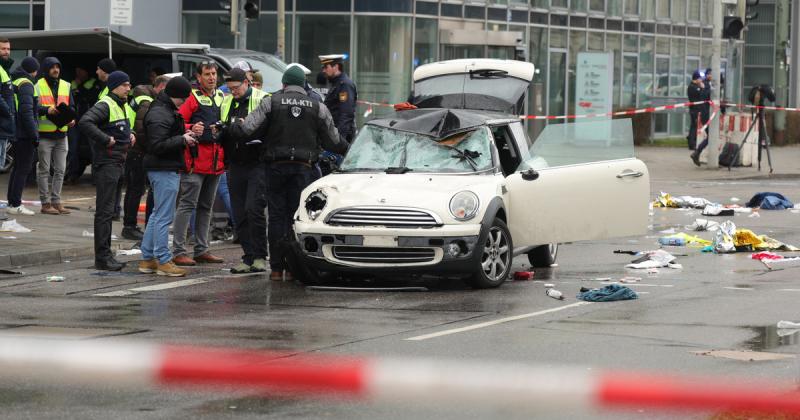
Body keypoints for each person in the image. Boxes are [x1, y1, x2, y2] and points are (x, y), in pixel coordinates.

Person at [230, 65, 348, 281]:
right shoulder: (317, 106)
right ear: (303, 85)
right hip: (304, 169)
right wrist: (350, 149)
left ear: (284, 84)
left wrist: (233, 128)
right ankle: (295, 268)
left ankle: (276, 269)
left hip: (275, 167)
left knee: (276, 217)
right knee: (297, 217)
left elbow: (247, 129)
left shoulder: (271, 101)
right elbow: (334, 140)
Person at [78, 71, 135, 271]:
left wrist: (131, 134)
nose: (129, 88)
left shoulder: (121, 104)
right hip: (107, 164)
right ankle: (102, 258)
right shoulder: (106, 104)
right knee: (104, 212)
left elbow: (120, 128)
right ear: (114, 86)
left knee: (109, 212)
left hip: (118, 163)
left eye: (129, 85)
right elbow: (85, 122)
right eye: (125, 85)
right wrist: (105, 139)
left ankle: (106, 255)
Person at [139, 76, 195, 277]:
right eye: (184, 98)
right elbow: (157, 145)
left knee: (157, 214)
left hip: (161, 167)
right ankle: (163, 259)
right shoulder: (162, 113)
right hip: (164, 168)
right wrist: (182, 139)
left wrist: (183, 135)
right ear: (177, 96)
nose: (185, 102)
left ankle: (147, 259)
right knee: (163, 216)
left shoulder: (162, 109)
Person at [173, 61, 226, 266]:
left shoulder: (222, 97)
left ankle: (202, 249)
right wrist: (190, 126)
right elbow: (176, 122)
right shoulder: (192, 98)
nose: (211, 77)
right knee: (187, 205)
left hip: (215, 162)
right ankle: (178, 250)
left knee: (206, 207)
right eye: (207, 74)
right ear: (198, 77)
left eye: (214, 74)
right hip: (195, 161)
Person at [219, 68, 270, 274]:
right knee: (239, 212)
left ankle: (260, 256)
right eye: (230, 89)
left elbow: (267, 129)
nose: (233, 92)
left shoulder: (263, 99)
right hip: (235, 163)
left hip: (257, 162)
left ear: (247, 83)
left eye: (236, 88)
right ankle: (248, 256)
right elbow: (225, 127)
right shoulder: (227, 101)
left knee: (253, 209)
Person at [121, 74, 169, 241]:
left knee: (135, 189)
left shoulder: (144, 98)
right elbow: (142, 130)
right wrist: (154, 148)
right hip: (138, 151)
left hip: (136, 150)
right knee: (136, 189)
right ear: (161, 87)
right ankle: (129, 226)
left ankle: (130, 225)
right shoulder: (146, 101)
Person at [36, 57, 76, 215]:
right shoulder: (37, 85)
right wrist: (47, 110)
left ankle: (56, 201)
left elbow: (71, 106)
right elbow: (33, 107)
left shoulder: (66, 85)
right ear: (46, 69)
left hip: (62, 134)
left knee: (60, 170)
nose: (56, 70)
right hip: (45, 134)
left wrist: (72, 119)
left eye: (57, 67)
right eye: (52, 67)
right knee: (44, 170)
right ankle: (45, 204)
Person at [6, 57, 40, 216]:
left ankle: (12, 202)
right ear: (33, 70)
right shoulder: (27, 84)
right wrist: (34, 135)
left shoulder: (16, 81)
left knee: (17, 168)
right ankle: (15, 203)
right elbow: (27, 112)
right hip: (24, 134)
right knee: (23, 169)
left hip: (16, 131)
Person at [65, 65, 100, 184]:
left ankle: (96, 178)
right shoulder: (72, 83)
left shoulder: (94, 83)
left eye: (80, 71)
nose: (78, 73)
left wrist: (79, 90)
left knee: (94, 150)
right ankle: (72, 175)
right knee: (72, 149)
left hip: (90, 122)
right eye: (76, 71)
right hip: (75, 121)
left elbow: (89, 96)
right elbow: (72, 98)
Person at [319, 54, 357, 143]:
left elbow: (346, 115)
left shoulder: (345, 85)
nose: (323, 70)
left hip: (340, 137)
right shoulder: (336, 84)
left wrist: (339, 141)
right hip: (333, 134)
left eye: (325, 67)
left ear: (335, 67)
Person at [689, 70, 712, 166]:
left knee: (710, 136)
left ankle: (697, 152)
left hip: (704, 112)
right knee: (710, 136)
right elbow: (703, 96)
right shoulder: (700, 86)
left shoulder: (704, 85)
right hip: (703, 113)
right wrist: (703, 88)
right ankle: (696, 151)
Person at [0, 38, 14, 170]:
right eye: (3, 49)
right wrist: (9, 112)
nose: (6, 52)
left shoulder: (4, 69)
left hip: (4, 128)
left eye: (8, 49)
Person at [686, 69, 706, 153]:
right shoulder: (692, 87)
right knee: (694, 126)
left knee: (694, 126)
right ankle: (692, 143)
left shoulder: (695, 86)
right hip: (694, 110)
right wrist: (702, 88)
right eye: (700, 79)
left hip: (697, 109)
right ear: (696, 79)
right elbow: (700, 95)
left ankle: (691, 140)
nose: (701, 80)